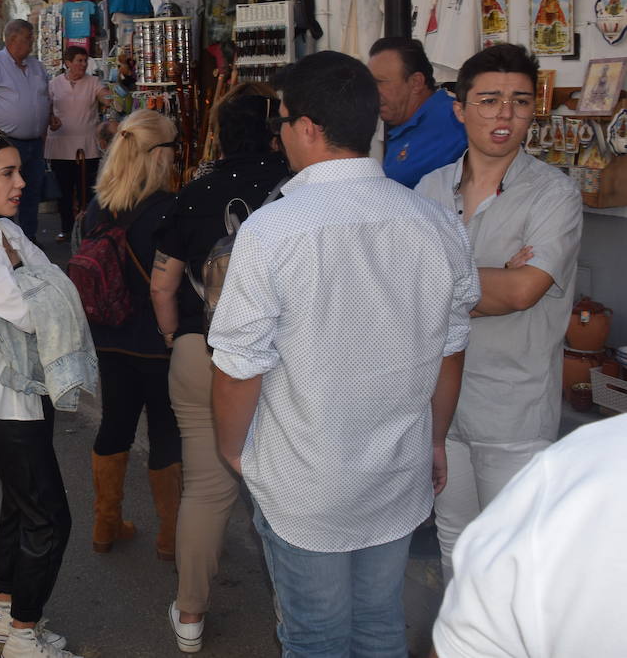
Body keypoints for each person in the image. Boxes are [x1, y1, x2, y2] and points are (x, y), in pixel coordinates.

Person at [210, 51, 478, 658]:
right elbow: (450, 351)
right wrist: (435, 441)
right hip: (397, 473)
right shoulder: (436, 223)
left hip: (306, 482)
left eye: (281, 119)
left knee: (315, 637)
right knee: (381, 623)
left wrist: (234, 449)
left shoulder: (271, 231)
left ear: (307, 128)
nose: (279, 132)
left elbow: (237, 366)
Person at [414, 43, 583, 580]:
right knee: (455, 548)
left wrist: (441, 281)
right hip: (438, 408)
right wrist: (488, 279)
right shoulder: (429, 190)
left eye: (520, 100)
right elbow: (406, 290)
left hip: (514, 409)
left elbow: (521, 294)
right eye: (488, 100)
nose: (505, 114)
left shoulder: (554, 195)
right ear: (460, 108)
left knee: (518, 562)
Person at [0, 130, 90, 658]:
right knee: (50, 518)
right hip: (1, 401)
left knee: (19, 507)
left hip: (30, 391)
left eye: (18, 170)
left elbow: (58, 285)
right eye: (7, 173)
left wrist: (39, 281)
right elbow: (37, 310)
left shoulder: (3, 228)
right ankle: (25, 638)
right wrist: (40, 283)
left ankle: (6, 612)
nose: (22, 182)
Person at [153, 86, 291, 652]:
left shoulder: (194, 194)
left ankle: (189, 617)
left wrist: (173, 337)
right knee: (285, 493)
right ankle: (296, 613)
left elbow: (163, 284)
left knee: (206, 490)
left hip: (199, 350)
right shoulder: (294, 195)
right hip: (277, 358)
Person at [76, 110, 182, 564]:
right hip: (155, 339)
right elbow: (171, 284)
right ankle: (171, 537)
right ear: (157, 155)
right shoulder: (168, 210)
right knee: (165, 431)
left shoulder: (101, 204)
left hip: (108, 333)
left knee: (114, 423)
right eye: (172, 146)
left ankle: (106, 523)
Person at [431, 413, 627, 658]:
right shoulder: (580, 461)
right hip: (461, 421)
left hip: (514, 422)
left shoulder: (576, 464)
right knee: (461, 544)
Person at [0, 19, 53, 241]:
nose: (32, 42)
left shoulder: (37, 66)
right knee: (4, 194)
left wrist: (46, 124)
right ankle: (3, 242)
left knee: (32, 193)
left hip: (35, 143)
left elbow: (45, 99)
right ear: (13, 39)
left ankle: (28, 241)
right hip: (6, 142)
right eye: (29, 38)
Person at [368, 36, 467, 187]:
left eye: (380, 82)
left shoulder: (454, 121)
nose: (373, 92)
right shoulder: (404, 124)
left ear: (416, 83)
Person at [46, 46, 112, 242]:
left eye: (85, 61)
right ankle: (66, 228)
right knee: (64, 191)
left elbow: (105, 97)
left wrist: (110, 98)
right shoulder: (53, 84)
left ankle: (89, 227)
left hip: (87, 145)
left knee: (88, 189)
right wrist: (50, 118)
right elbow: (46, 108)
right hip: (60, 144)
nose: (83, 65)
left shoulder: (93, 82)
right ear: (68, 63)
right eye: (79, 61)